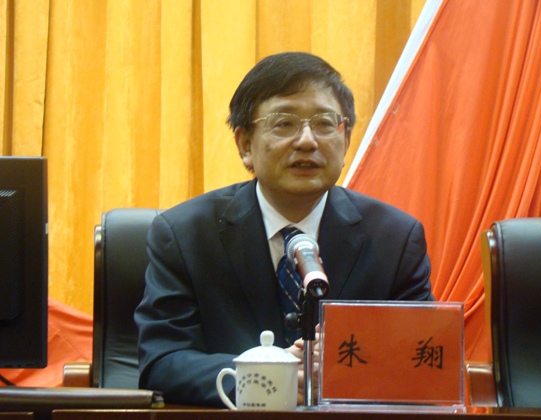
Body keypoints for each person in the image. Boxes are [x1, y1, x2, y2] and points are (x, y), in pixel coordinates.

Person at [134, 51, 433, 407]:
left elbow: (423, 362)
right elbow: (163, 363)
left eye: (324, 123)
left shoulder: (395, 240)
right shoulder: (185, 235)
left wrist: (348, 370)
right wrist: (261, 377)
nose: (307, 141)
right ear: (245, 145)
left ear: (346, 139)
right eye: (284, 123)